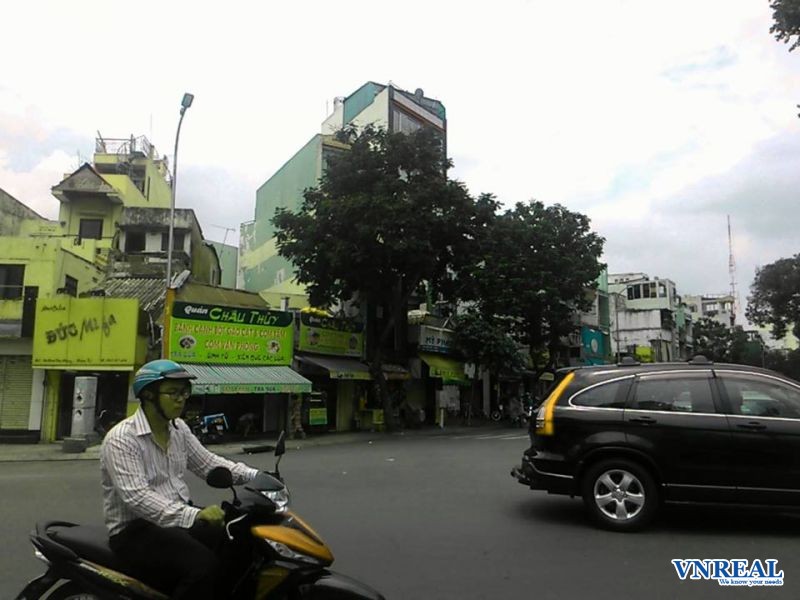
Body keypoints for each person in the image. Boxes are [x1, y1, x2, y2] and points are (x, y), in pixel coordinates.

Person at [100, 359, 259, 599]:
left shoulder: (178, 429)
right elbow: (137, 497)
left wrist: (255, 476)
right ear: (149, 396)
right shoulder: (122, 439)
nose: (181, 399)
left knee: (238, 540)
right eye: (173, 392)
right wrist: (194, 515)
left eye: (185, 392)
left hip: (175, 520)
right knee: (202, 566)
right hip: (135, 531)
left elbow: (207, 463)